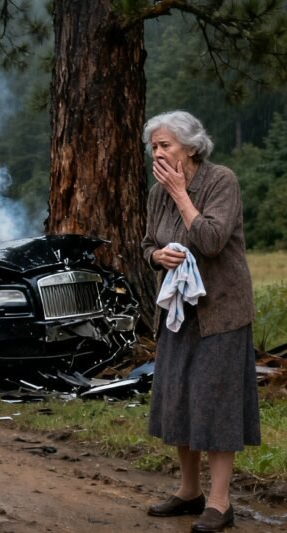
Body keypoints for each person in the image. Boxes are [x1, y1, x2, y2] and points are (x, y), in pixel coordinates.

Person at [141, 110, 261, 533]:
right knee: (179, 400)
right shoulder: (156, 193)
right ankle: (189, 491)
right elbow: (147, 243)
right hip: (178, 312)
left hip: (221, 311)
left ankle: (220, 502)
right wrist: (156, 256)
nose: (157, 153)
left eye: (165, 145)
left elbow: (210, 241)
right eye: (153, 146)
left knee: (215, 405)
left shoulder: (221, 180)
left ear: (190, 147)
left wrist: (180, 194)